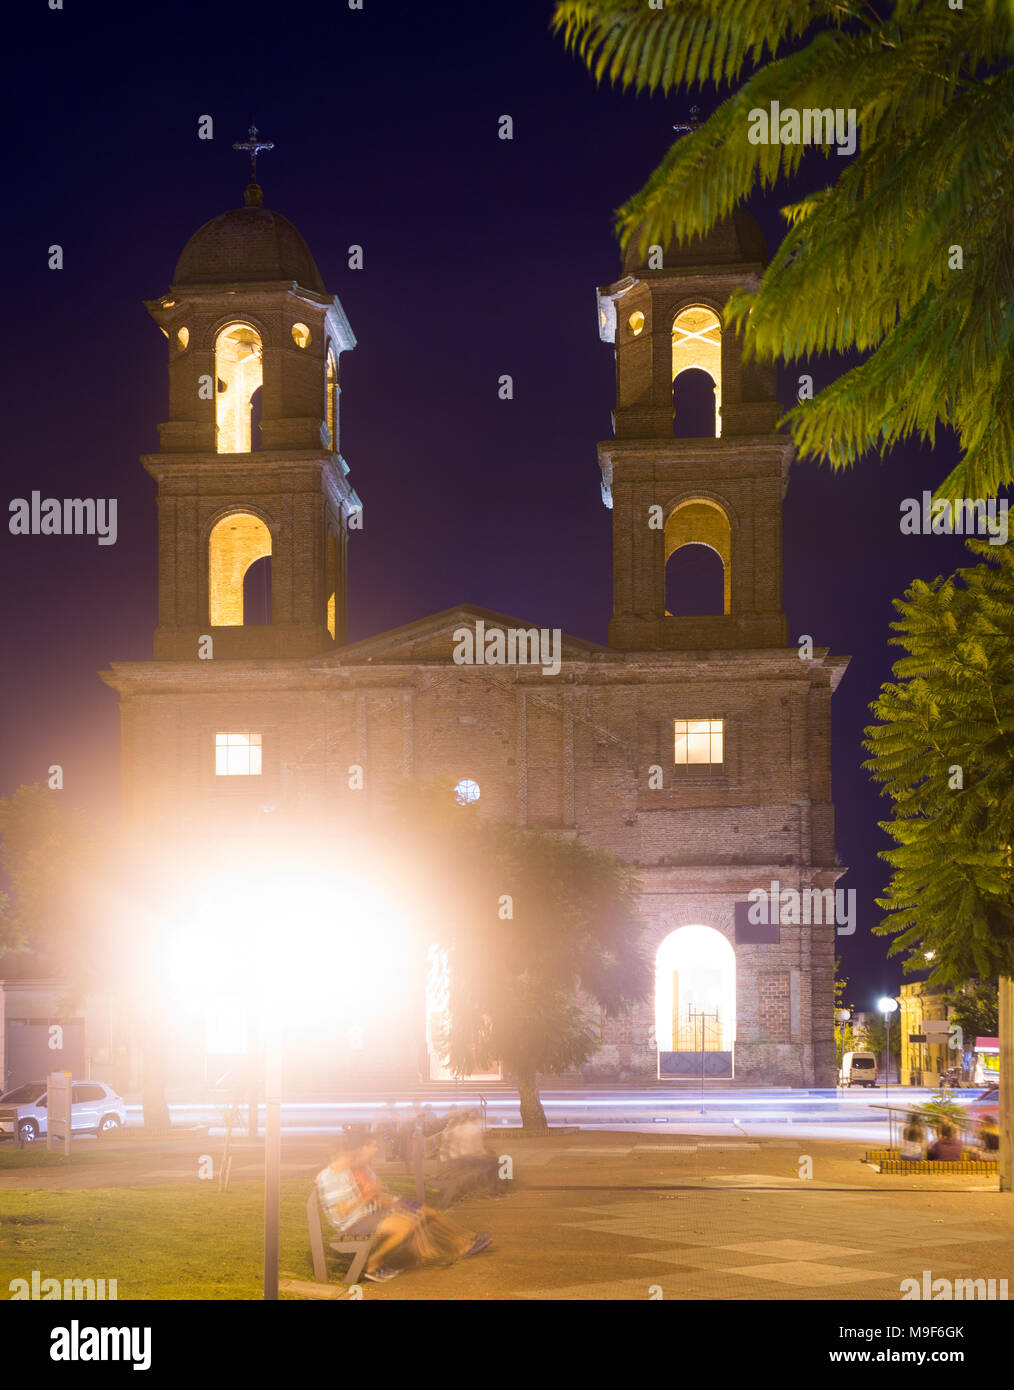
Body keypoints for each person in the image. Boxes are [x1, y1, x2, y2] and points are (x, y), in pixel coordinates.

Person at [316, 1126, 491, 1282]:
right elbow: (343, 1213)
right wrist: (369, 1196)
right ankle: (374, 1263)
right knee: (412, 1221)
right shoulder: (331, 1175)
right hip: (355, 1222)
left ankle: (459, 1243)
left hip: (369, 1214)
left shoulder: (351, 1170)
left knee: (423, 1214)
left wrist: (381, 1198)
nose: (352, 1156)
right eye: (349, 1153)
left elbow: (375, 1195)